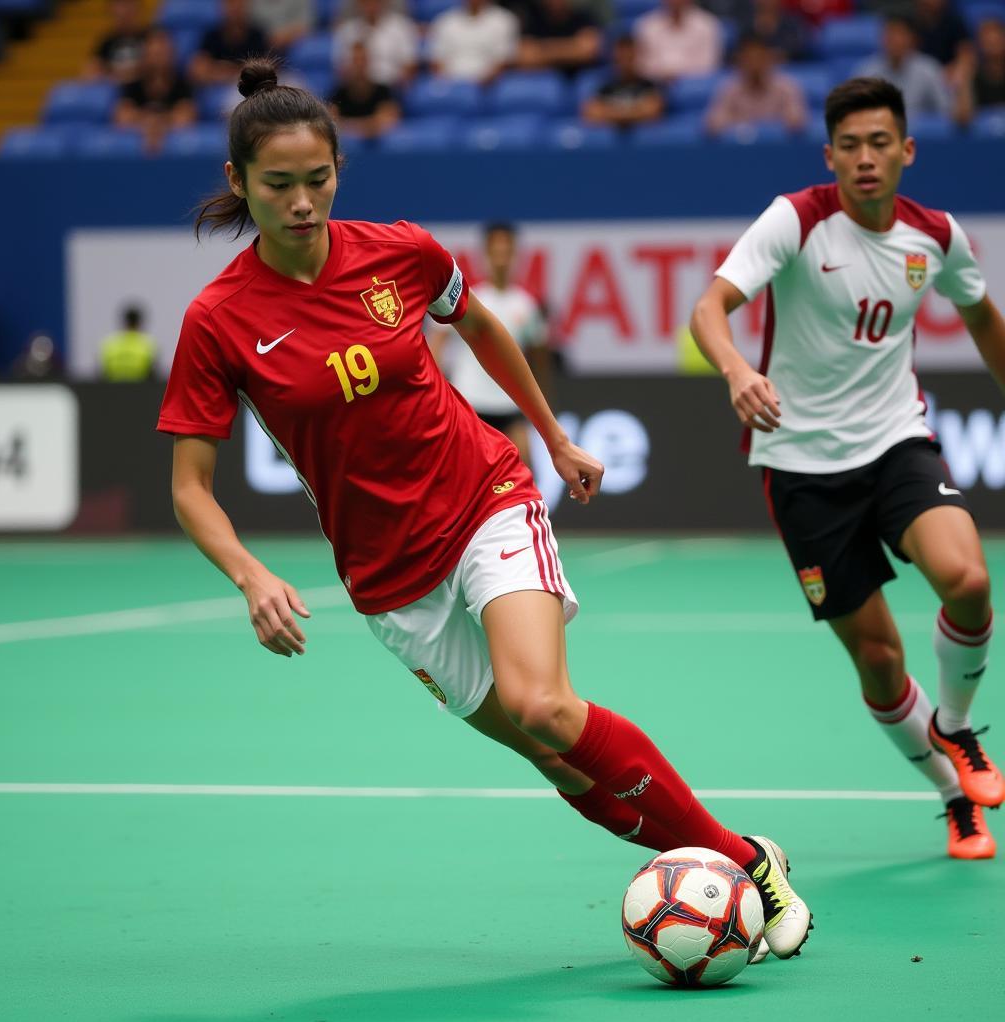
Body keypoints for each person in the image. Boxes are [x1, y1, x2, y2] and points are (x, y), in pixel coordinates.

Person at [157, 56, 812, 961]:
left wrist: (551, 435)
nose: (302, 202)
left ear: (338, 170)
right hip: (387, 577)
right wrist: (249, 573)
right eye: (278, 185)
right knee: (552, 757)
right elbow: (191, 488)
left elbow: (480, 324)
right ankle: (732, 863)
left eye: (318, 179)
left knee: (542, 704)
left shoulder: (399, 250)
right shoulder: (218, 319)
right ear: (238, 183)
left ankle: (744, 868)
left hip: (482, 497)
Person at [690, 77, 1005, 861]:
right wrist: (735, 370)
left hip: (897, 439)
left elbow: (983, 321)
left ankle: (957, 724)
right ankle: (950, 799)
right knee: (878, 658)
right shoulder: (797, 219)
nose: (866, 159)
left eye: (880, 143)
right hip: (800, 465)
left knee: (966, 580)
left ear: (907, 150)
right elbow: (708, 309)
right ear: (830, 155)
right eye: (851, 146)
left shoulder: (935, 236)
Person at [428, 222, 550, 469]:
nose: (501, 258)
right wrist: (437, 395)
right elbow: (436, 345)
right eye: (496, 250)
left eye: (507, 250)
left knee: (525, 474)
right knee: (467, 475)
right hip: (471, 403)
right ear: (486, 253)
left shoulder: (526, 305)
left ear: (515, 253)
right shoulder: (470, 298)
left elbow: (539, 359)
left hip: (511, 406)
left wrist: (543, 409)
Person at [705, 34, 808, 136]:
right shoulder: (729, 88)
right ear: (740, 60)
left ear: (769, 59)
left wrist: (771, 130)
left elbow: (798, 121)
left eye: (759, 57)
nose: (755, 63)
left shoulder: (786, 87)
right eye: (749, 58)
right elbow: (714, 124)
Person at [114, 28, 197, 153]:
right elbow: (123, 117)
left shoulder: (183, 84)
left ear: (171, 54)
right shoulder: (132, 85)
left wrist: (154, 122)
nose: (158, 58)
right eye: (154, 53)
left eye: (162, 53)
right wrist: (155, 122)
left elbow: (185, 117)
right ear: (145, 55)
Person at [855, 16, 952, 118]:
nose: (895, 40)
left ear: (912, 38)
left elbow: (946, 110)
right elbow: (855, 112)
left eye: (900, 34)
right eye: (890, 34)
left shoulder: (928, 69)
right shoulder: (867, 71)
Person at [581, 33, 665, 129]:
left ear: (636, 55)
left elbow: (652, 112)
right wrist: (635, 113)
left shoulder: (649, 85)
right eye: (621, 56)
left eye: (629, 55)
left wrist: (610, 114)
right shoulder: (605, 87)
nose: (625, 60)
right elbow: (592, 113)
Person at [428, 0, 520, 84]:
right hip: (451, 84)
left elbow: (503, 60)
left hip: (489, 86)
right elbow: (437, 61)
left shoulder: (504, 20)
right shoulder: (444, 21)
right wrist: (450, 86)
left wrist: (478, 86)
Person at [331, 0, 419, 87]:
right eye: (366, 1)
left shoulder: (402, 27)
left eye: (375, 1)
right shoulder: (347, 30)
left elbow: (410, 66)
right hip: (357, 88)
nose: (371, 5)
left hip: (391, 88)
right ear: (359, 3)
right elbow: (341, 68)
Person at [633, 0, 723, 84]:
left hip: (694, 84)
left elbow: (709, 64)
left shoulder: (707, 25)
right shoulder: (646, 25)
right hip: (654, 83)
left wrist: (678, 75)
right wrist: (662, 74)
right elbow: (641, 63)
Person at [188, 0, 270, 88]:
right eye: (231, 4)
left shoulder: (256, 36)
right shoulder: (211, 36)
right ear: (222, 7)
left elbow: (265, 70)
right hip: (216, 88)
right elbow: (197, 70)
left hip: (249, 89)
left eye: (239, 5)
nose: (235, 9)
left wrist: (225, 70)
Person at [328, 40, 401, 138]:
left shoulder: (383, 91)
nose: (359, 64)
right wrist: (368, 126)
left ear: (369, 62)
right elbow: (331, 122)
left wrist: (347, 125)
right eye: (355, 60)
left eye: (363, 59)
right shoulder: (338, 93)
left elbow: (388, 120)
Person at [515, 0, 602, 77]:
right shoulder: (533, 21)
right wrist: (573, 47)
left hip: (580, 77)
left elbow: (588, 51)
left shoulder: (583, 17)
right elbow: (525, 56)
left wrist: (541, 50)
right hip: (545, 78)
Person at [954, 16, 1005, 127]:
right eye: (986, 38)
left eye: (996, 37)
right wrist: (965, 72)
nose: (992, 42)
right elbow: (963, 117)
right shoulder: (974, 75)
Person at [85, 0, 147, 84]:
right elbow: (90, 72)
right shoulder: (106, 42)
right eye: (120, 5)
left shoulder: (148, 38)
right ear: (111, 10)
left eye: (129, 4)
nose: (124, 11)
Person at [99, 305, 158, 381]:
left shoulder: (109, 344)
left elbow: (102, 374)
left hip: (113, 390)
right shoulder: (148, 344)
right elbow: (152, 374)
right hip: (140, 390)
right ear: (139, 322)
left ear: (124, 321)